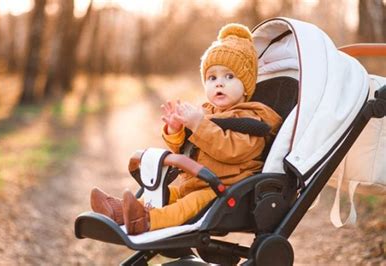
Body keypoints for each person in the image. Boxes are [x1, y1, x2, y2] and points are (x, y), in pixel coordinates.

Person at [90, 23, 282, 235]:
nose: (219, 83)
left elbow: (233, 150)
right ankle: (120, 211)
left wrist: (199, 125)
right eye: (212, 77)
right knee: (164, 194)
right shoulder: (207, 112)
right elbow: (183, 150)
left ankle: (145, 220)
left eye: (229, 76)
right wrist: (175, 131)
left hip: (224, 190)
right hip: (195, 182)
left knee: (185, 206)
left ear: (247, 85)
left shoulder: (252, 118)